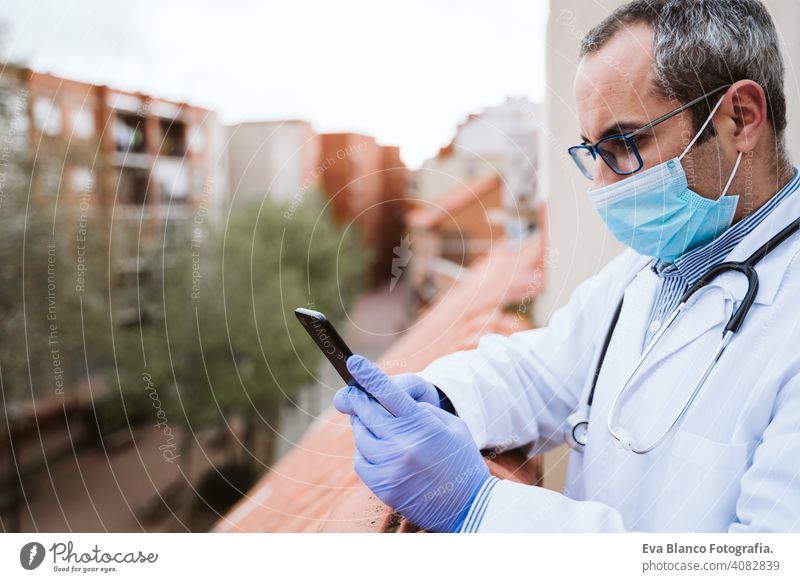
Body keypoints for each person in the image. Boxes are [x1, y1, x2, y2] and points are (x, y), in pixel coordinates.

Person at [334, 0, 800, 532]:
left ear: (739, 117)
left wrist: (481, 509)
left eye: (625, 144)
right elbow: (541, 372)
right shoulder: (650, 271)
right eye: (592, 153)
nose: (600, 187)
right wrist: (437, 398)